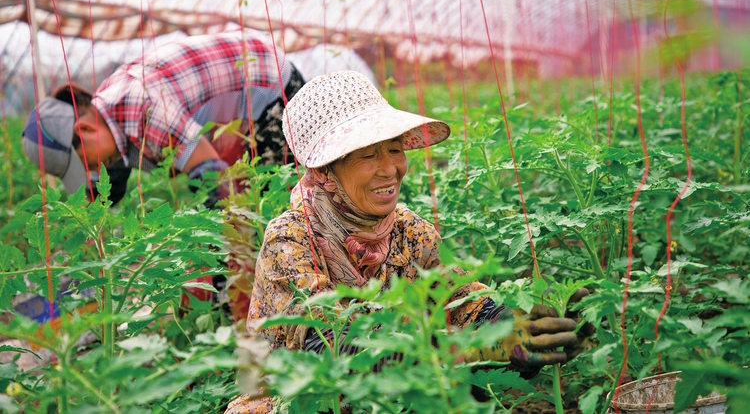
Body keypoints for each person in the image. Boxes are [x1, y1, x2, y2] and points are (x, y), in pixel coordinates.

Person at [225, 71, 591, 413]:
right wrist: (471, 347)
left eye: (395, 150)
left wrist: (521, 324)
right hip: (296, 399)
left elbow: (465, 301)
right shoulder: (289, 241)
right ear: (325, 172)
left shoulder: (409, 231)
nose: (390, 169)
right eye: (368, 155)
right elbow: (333, 348)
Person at [21, 29, 305, 319]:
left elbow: (214, 181)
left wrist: (218, 281)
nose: (93, 170)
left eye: (83, 163)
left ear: (84, 131)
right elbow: (106, 187)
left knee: (273, 210)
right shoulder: (107, 114)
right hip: (232, 104)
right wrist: (75, 259)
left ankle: (278, 306)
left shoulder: (145, 109)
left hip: (271, 86)